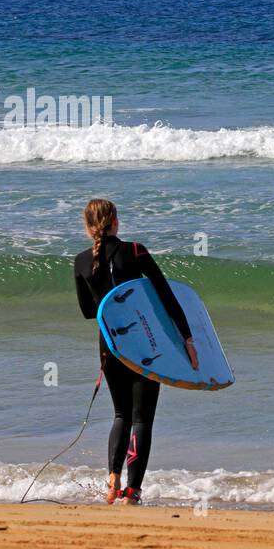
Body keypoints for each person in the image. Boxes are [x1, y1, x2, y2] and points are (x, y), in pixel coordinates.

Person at [73, 199, 198, 505]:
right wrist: (188, 338)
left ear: (89, 228)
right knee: (142, 420)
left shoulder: (80, 261)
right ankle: (133, 492)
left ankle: (113, 478)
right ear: (116, 222)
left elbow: (90, 312)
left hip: (109, 346)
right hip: (145, 346)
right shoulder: (135, 250)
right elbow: (165, 295)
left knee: (120, 414)